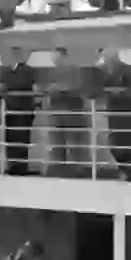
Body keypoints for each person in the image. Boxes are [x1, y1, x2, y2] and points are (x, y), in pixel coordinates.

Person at [96, 49, 131, 182]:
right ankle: (128, 171)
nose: (106, 62)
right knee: (115, 144)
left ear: (116, 58)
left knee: (128, 146)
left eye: (108, 59)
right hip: (114, 113)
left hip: (129, 113)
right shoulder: (104, 72)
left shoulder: (128, 72)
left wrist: (120, 93)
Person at [45, 47, 92, 177]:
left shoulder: (76, 70)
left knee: (74, 144)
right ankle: (58, 170)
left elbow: (79, 88)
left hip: (72, 112)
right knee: (56, 143)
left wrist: (60, 88)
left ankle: (75, 171)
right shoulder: (52, 72)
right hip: (56, 112)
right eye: (53, 57)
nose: (53, 59)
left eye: (56, 56)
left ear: (64, 56)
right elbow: (48, 89)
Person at [0, 46, 39, 175]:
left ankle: (21, 167)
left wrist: (4, 87)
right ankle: (12, 165)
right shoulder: (7, 72)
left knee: (21, 139)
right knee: (10, 139)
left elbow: (22, 85)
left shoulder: (27, 70)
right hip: (10, 110)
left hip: (22, 111)